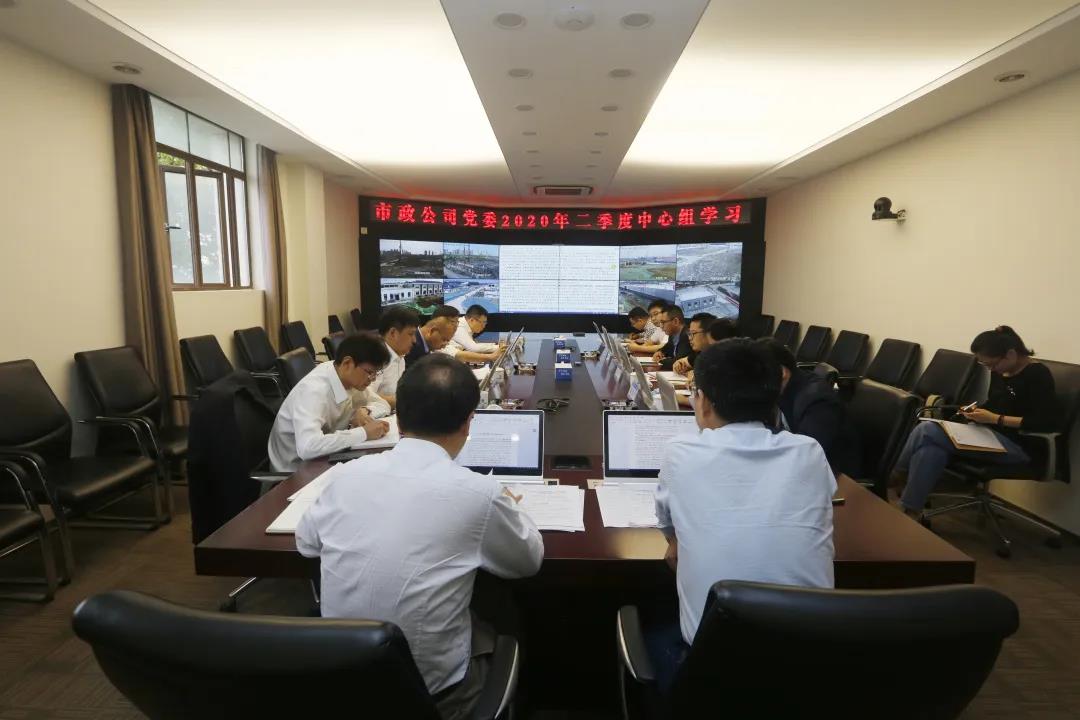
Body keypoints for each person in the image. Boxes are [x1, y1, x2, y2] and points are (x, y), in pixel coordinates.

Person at [296, 353, 544, 719]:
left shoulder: (346, 475)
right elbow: (528, 562)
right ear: (469, 422)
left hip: (341, 684)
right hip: (434, 699)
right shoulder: (480, 493)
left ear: (400, 418)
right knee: (501, 614)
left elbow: (305, 544)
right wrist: (510, 504)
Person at [651, 339, 836, 687]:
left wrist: (677, 541)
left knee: (652, 625)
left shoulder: (680, 452)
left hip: (713, 670)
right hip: (811, 666)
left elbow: (669, 532)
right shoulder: (809, 452)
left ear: (703, 401)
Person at [893, 326, 1061, 518]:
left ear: (1010, 354)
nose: (991, 370)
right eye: (986, 366)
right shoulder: (1001, 371)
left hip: (1020, 445)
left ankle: (896, 473)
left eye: (992, 365)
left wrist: (995, 419)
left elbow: (1045, 422)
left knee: (927, 429)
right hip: (988, 436)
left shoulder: (1038, 375)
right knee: (931, 449)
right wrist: (974, 412)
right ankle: (911, 510)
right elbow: (996, 403)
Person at [268, 332, 391, 472]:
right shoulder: (314, 391)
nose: (373, 379)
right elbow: (308, 447)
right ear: (347, 363)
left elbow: (383, 405)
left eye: (376, 373)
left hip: (326, 457)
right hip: (294, 471)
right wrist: (364, 433)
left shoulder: (347, 377)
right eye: (370, 372)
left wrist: (364, 410)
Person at [758, 338, 862, 478]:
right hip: (803, 466)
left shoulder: (817, 401)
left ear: (782, 372)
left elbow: (807, 452)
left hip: (834, 476)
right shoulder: (786, 388)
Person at [367, 306, 420, 411]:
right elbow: (364, 397)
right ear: (393, 333)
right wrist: (401, 401)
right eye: (411, 334)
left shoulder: (400, 357)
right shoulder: (374, 357)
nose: (414, 340)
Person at [652, 305, 690, 371]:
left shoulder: (687, 336)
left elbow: (677, 362)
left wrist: (660, 361)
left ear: (675, 321)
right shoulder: (673, 333)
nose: (661, 326)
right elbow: (669, 346)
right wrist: (660, 351)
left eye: (663, 322)